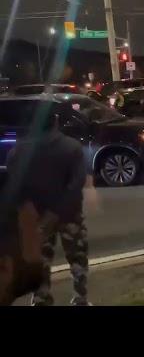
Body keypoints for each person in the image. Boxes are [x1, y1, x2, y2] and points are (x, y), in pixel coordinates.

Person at [6, 108, 90, 306]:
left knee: (40, 261)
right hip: (70, 215)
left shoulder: (18, 151)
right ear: (56, 121)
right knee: (77, 259)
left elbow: (14, 187)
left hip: (36, 218)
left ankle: (41, 299)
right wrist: (57, 212)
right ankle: (80, 299)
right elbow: (76, 184)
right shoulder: (72, 147)